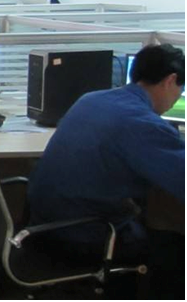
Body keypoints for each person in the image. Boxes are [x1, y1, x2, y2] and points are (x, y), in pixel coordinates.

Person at [27, 44, 185, 297]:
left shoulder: (91, 99)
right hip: (84, 234)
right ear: (170, 80)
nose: (177, 97)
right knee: (173, 246)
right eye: (180, 90)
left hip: (42, 224)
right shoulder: (143, 124)